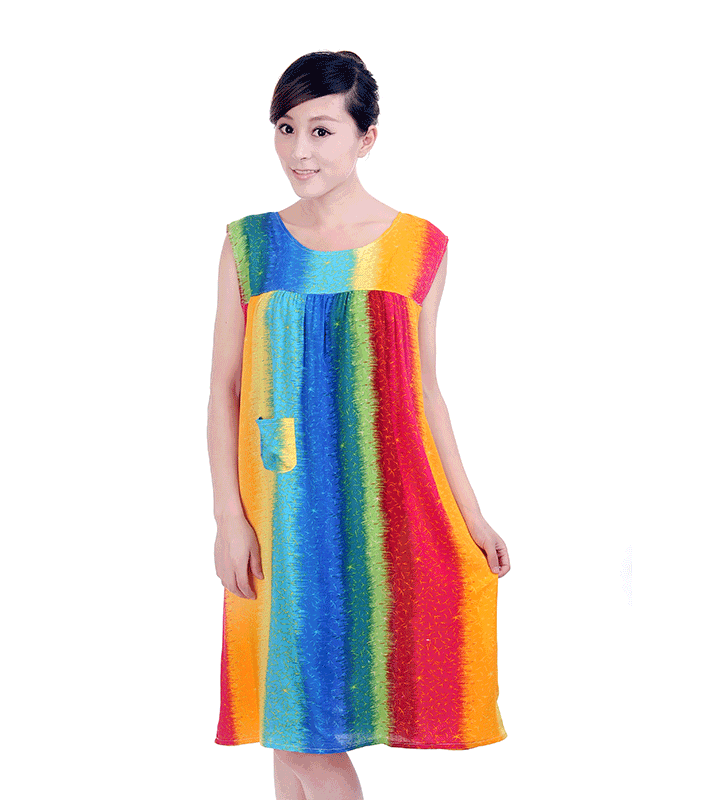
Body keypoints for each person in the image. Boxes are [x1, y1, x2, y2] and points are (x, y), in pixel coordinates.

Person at [208, 50, 511, 800]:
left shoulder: (418, 247)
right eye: (285, 128)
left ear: (366, 137)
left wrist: (472, 515)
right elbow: (223, 388)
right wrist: (229, 518)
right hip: (278, 508)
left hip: (381, 503)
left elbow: (426, 391)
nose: (299, 151)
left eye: (321, 129)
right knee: (289, 718)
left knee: (300, 722)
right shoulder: (250, 243)